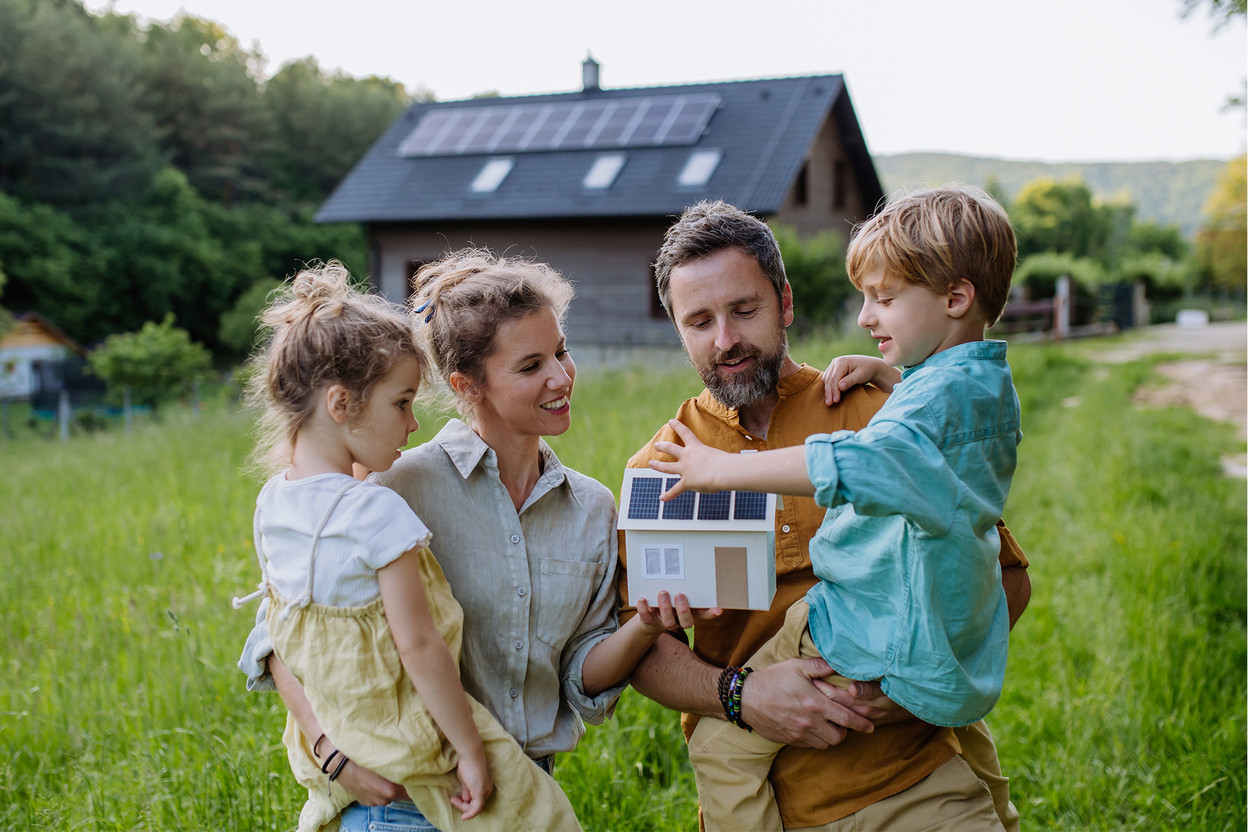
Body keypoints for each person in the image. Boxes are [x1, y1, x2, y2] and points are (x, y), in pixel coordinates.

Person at [238, 252, 692, 832]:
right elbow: (283, 630)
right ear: (466, 384)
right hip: (404, 804)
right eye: (530, 366)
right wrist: (332, 755)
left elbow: (581, 673)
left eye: (561, 351)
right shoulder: (389, 485)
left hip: (525, 800)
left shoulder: (592, 509)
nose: (561, 376)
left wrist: (647, 625)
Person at [619, 199, 1031, 831]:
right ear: (678, 328)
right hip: (767, 803)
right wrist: (743, 697)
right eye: (699, 321)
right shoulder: (663, 466)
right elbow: (642, 651)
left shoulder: (875, 410)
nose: (724, 340)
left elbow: (1001, 578)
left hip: (913, 780)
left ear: (785, 303)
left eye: (744, 310)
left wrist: (899, 692)